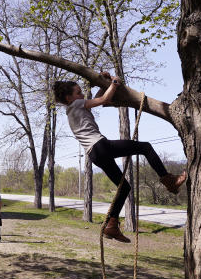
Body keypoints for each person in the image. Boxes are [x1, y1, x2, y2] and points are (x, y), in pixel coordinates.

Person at [53, 73, 186, 243]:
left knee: (124, 188)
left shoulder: (72, 109)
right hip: (101, 145)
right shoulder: (77, 104)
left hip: (94, 155)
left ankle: (111, 225)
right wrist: (114, 83)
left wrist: (103, 85)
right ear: (69, 97)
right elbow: (102, 101)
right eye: (78, 92)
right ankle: (169, 180)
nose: (82, 95)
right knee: (145, 147)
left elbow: (100, 98)